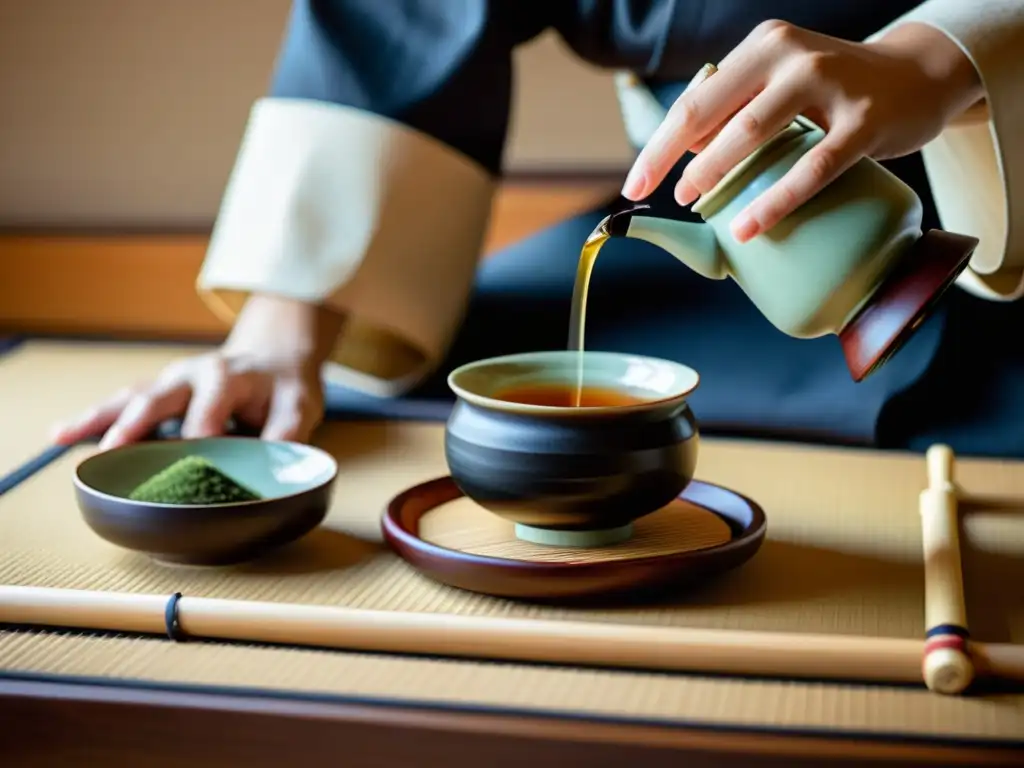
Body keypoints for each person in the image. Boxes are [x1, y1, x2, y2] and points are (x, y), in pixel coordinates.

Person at [53, 0, 1024, 457]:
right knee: (455, 409)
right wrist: (282, 326)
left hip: (998, 162)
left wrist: (945, 55)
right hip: (730, 223)